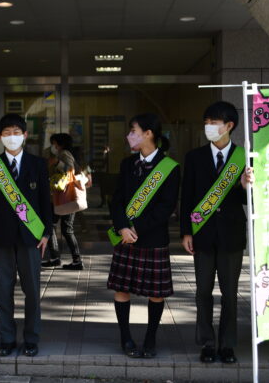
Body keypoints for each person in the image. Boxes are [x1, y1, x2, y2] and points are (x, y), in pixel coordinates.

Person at [180, 101, 254, 364]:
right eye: (207, 122)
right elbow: (186, 197)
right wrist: (186, 232)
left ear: (229, 125)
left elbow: (251, 201)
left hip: (231, 235)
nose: (209, 127)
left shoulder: (244, 158)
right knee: (202, 292)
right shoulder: (194, 157)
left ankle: (228, 345)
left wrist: (246, 188)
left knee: (230, 294)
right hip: (202, 234)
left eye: (214, 123)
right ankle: (207, 343)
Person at [107, 113, 180, 358]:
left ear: (148, 133)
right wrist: (121, 228)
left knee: (156, 293)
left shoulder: (169, 167)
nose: (129, 136)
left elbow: (166, 207)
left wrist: (136, 228)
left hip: (152, 238)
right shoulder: (127, 164)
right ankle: (125, 338)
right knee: (121, 288)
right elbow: (116, 200)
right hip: (125, 236)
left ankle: (150, 339)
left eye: (133, 131)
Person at [0, 113, 52, 357]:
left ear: (25, 135)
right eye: (7, 133)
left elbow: (46, 202)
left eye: (16, 132)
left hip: (31, 237)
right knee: (3, 291)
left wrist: (46, 233)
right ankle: (7, 338)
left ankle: (31, 338)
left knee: (32, 291)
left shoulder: (38, 164)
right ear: (0, 137)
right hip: (0, 239)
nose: (12, 137)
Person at [42, 133, 84, 270]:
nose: (53, 146)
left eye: (54, 143)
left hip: (65, 197)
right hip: (62, 197)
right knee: (59, 227)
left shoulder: (64, 154)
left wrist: (57, 163)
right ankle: (60, 258)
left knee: (60, 227)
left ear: (60, 144)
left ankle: (65, 259)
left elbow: (70, 171)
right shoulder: (66, 153)